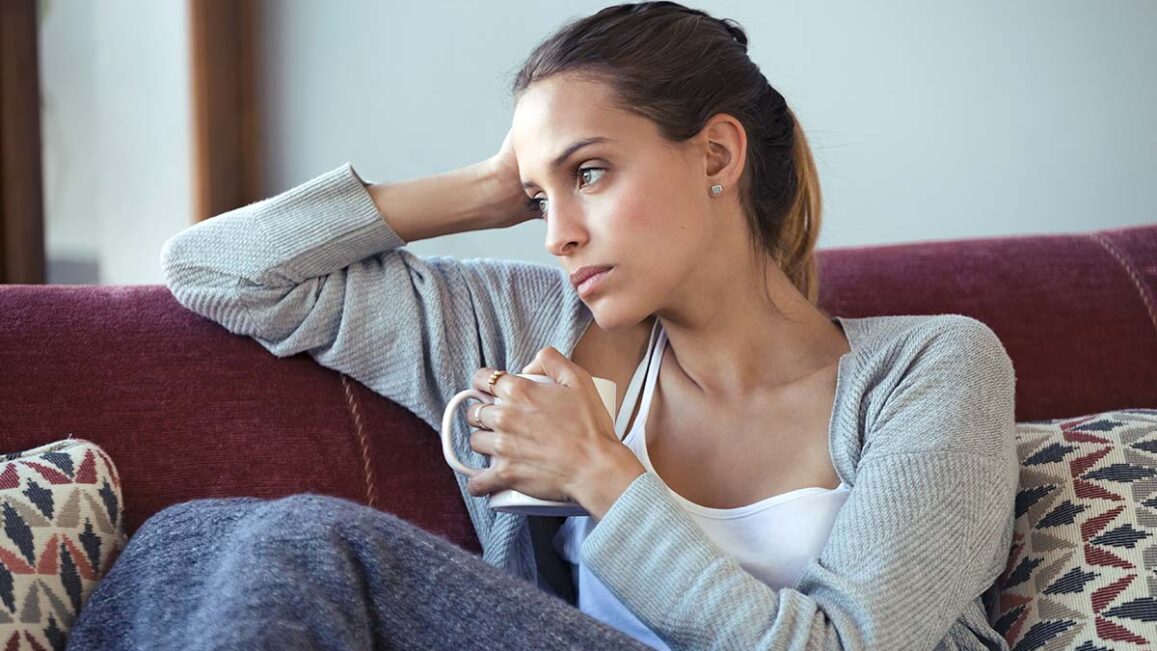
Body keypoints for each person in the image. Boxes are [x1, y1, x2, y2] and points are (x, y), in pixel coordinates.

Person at [67, 2, 1019, 649]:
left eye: (591, 173)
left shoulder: (929, 366)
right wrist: (489, 188)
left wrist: (599, 474)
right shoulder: (527, 329)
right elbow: (217, 270)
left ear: (716, 154)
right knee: (206, 537)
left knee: (311, 543)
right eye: (537, 193)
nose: (557, 234)